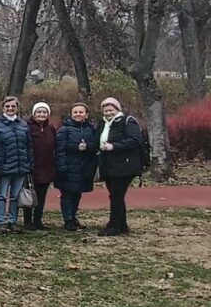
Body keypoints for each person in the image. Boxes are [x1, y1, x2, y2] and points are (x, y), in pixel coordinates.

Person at [95, 97, 144, 236]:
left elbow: (135, 140)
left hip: (125, 165)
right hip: (108, 165)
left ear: (117, 109)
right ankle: (122, 225)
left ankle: (113, 226)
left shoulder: (128, 122)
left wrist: (114, 146)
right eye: (105, 111)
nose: (108, 113)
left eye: (111, 110)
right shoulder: (102, 124)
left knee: (116, 195)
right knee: (116, 195)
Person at [0, 96, 34, 234]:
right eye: (7, 106)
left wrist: (30, 163)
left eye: (13, 106)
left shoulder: (23, 125)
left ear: (17, 108)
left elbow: (29, 146)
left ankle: (13, 221)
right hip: (4, 166)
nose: (10, 108)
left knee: (15, 196)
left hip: (21, 166)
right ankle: (0, 221)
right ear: (3, 108)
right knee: (2, 196)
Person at [55, 103, 99, 231]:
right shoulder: (64, 129)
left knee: (77, 193)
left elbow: (95, 146)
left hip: (84, 168)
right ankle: (68, 220)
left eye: (81, 112)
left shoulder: (91, 129)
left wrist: (87, 148)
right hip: (68, 167)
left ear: (86, 114)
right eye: (75, 112)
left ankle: (73, 217)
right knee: (67, 194)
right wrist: (62, 167)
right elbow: (59, 150)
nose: (78, 114)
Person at [27, 102, 58, 230]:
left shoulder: (51, 128)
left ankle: (38, 220)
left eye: (44, 112)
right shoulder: (28, 128)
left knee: (41, 196)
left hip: (47, 167)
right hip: (32, 167)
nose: (41, 114)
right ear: (34, 114)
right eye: (39, 112)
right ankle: (28, 221)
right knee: (30, 195)